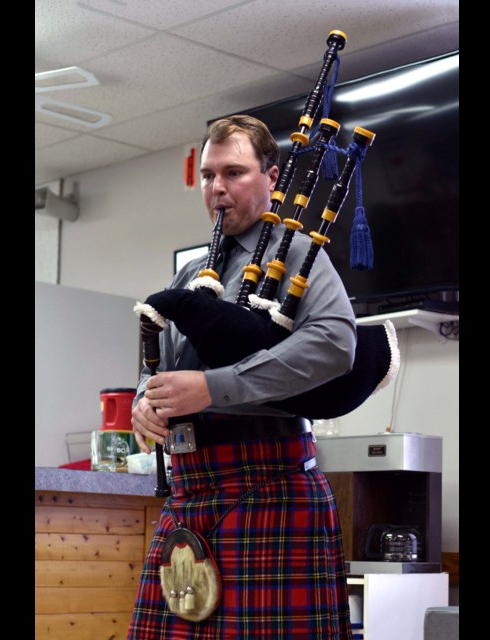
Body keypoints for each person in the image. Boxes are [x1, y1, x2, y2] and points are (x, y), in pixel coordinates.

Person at [127, 114, 356, 640]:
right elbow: (155, 361)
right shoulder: (189, 273)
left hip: (268, 484)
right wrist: (146, 400)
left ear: (272, 179)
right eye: (208, 176)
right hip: (190, 489)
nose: (218, 189)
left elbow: (333, 344)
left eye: (234, 172)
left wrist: (214, 387)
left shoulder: (298, 254)